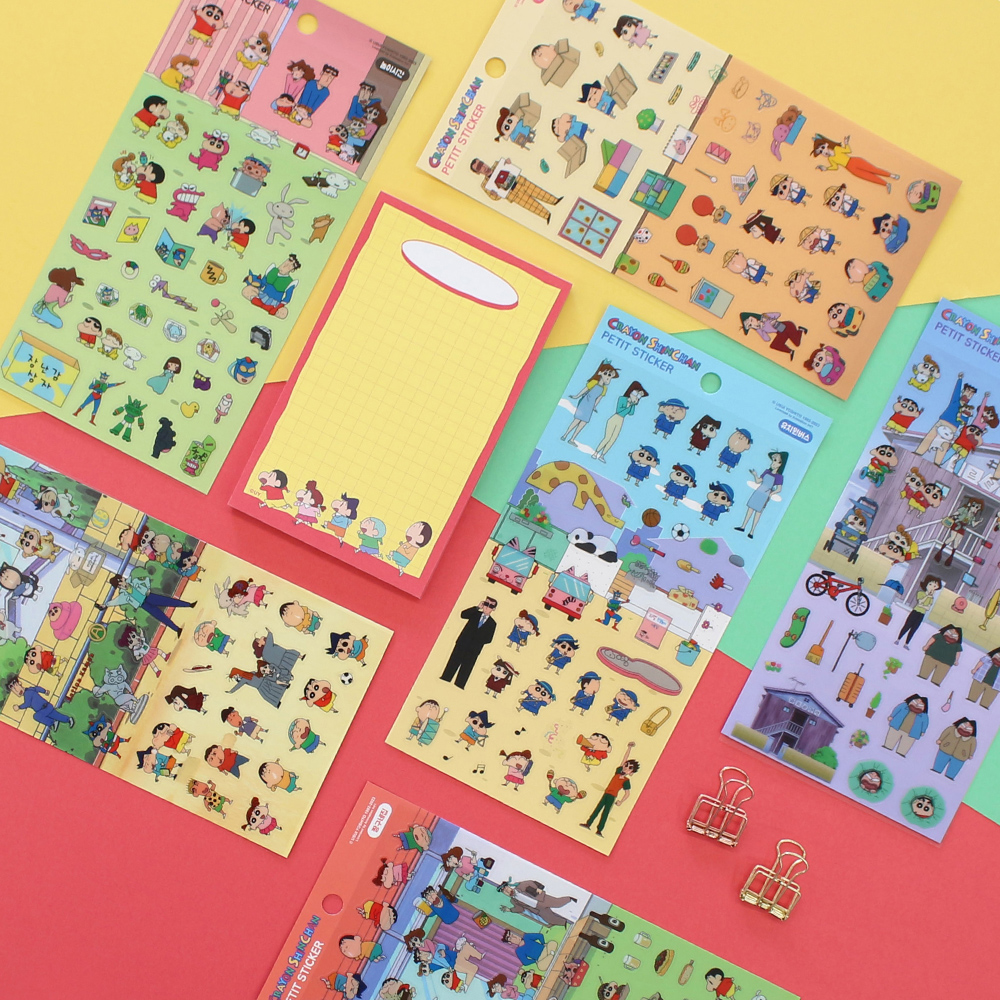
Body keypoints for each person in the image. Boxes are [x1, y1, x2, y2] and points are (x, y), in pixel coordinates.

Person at [470, 157, 563, 224]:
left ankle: (554, 200)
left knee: (538, 191)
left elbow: (511, 169)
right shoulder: (485, 185)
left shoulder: (497, 164)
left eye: (482, 164)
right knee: (531, 205)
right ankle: (546, 215)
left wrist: (508, 163)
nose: (483, 167)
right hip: (513, 194)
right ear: (478, 172)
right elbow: (495, 198)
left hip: (519, 182)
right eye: (479, 168)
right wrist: (494, 194)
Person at [579, 742, 637, 837]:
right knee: (597, 809)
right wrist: (629, 748)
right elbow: (624, 759)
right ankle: (588, 823)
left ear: (631, 773)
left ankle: (599, 830)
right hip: (606, 794)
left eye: (629, 768)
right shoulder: (618, 772)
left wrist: (621, 801)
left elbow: (627, 793)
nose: (626, 768)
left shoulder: (626, 781)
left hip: (612, 797)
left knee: (605, 813)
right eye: (626, 765)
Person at [440, 599, 498, 688]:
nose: (487, 607)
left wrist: (477, 639)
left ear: (493, 609)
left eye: (490, 606)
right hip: (462, 643)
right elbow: (463, 615)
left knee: (467, 667)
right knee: (453, 662)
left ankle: (459, 685)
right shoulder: (475, 614)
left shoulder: (492, 623)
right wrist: (477, 607)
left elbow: (489, 639)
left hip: (474, 649)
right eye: (486, 604)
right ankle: (445, 678)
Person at [561, 361, 619, 445]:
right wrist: (576, 396)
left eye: (609, 375)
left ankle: (572, 439)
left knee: (583, 423)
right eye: (606, 374)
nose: (607, 377)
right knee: (577, 420)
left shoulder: (604, 389)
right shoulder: (594, 382)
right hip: (585, 402)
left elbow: (599, 398)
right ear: (600, 373)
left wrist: (594, 406)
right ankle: (565, 435)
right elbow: (585, 390)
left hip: (590, 406)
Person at [736, 451, 787, 538]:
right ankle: (743, 526)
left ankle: (752, 531)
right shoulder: (767, 471)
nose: (774, 463)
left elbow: (779, 489)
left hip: (765, 495)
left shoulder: (779, 477)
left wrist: (771, 493)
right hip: (758, 492)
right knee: (750, 509)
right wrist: (755, 475)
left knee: (758, 513)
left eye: (777, 461)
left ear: (781, 464)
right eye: (774, 460)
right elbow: (758, 481)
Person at [593, 381, 647, 461]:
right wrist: (629, 405)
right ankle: (596, 452)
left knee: (613, 439)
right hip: (615, 418)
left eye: (638, 396)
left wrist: (633, 404)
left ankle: (602, 455)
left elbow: (631, 413)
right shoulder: (622, 399)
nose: (636, 397)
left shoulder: (632, 403)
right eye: (636, 394)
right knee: (607, 437)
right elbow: (619, 411)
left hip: (621, 420)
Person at [894, 575, 942, 649]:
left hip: (921, 614)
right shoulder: (921, 593)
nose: (932, 587)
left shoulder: (931, 598)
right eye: (930, 585)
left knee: (914, 629)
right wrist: (926, 596)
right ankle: (898, 639)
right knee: (907, 626)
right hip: (915, 612)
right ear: (926, 584)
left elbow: (928, 608)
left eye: (934, 586)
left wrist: (924, 603)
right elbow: (920, 602)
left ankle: (906, 643)